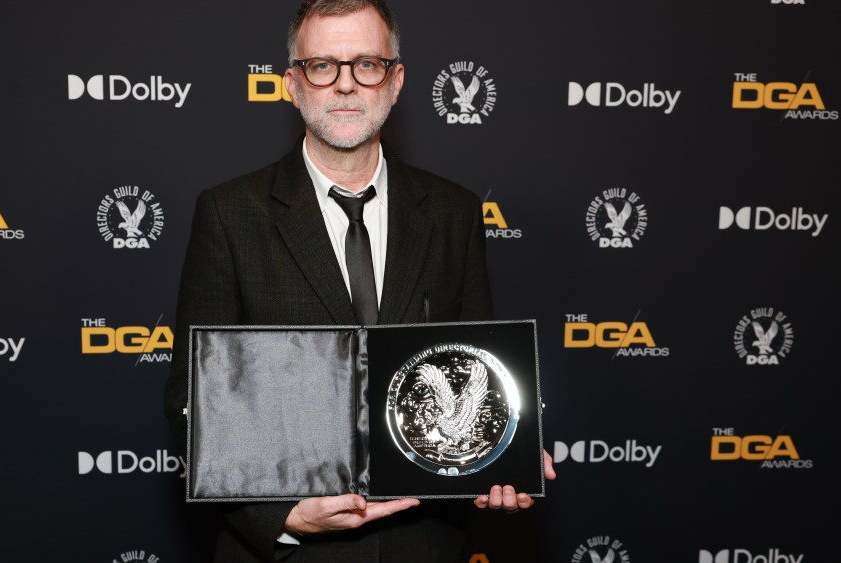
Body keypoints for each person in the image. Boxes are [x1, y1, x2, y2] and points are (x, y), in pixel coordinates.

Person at [163, 1, 556, 561]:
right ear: (292, 84)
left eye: (367, 64)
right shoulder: (229, 214)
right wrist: (283, 517)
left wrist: (505, 456)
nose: (345, 84)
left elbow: (480, 367)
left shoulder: (455, 211)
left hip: (426, 544)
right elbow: (191, 402)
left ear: (396, 82)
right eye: (322, 65)